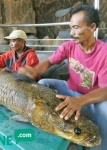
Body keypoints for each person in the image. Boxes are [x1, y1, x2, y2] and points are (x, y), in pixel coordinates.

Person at [18, 5, 107, 150]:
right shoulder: (69, 46)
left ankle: (99, 146)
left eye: (76, 28)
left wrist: (80, 101)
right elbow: (49, 62)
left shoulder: (104, 53)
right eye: (71, 28)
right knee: (43, 83)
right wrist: (34, 70)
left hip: (94, 98)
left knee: (106, 112)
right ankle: (57, 126)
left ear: (92, 27)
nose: (72, 33)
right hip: (71, 90)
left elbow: (105, 90)